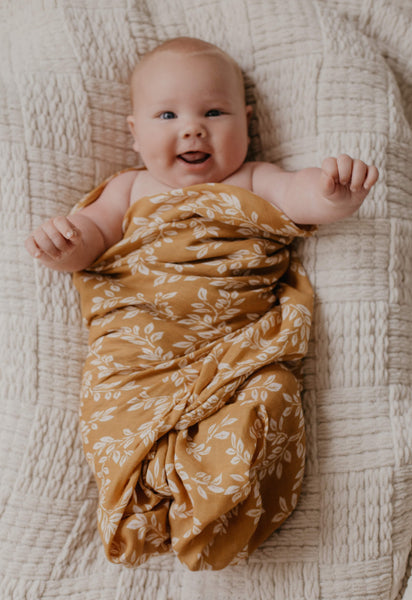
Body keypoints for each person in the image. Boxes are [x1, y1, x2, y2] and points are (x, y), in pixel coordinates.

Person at [25, 37, 379, 571]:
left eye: (215, 112)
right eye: (167, 114)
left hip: (236, 348)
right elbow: (87, 245)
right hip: (141, 352)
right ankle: (146, 498)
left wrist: (333, 194)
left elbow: (303, 195)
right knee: (113, 410)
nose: (192, 127)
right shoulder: (128, 190)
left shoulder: (254, 178)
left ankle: (214, 509)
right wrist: (62, 245)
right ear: (135, 133)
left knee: (273, 393)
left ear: (247, 120)